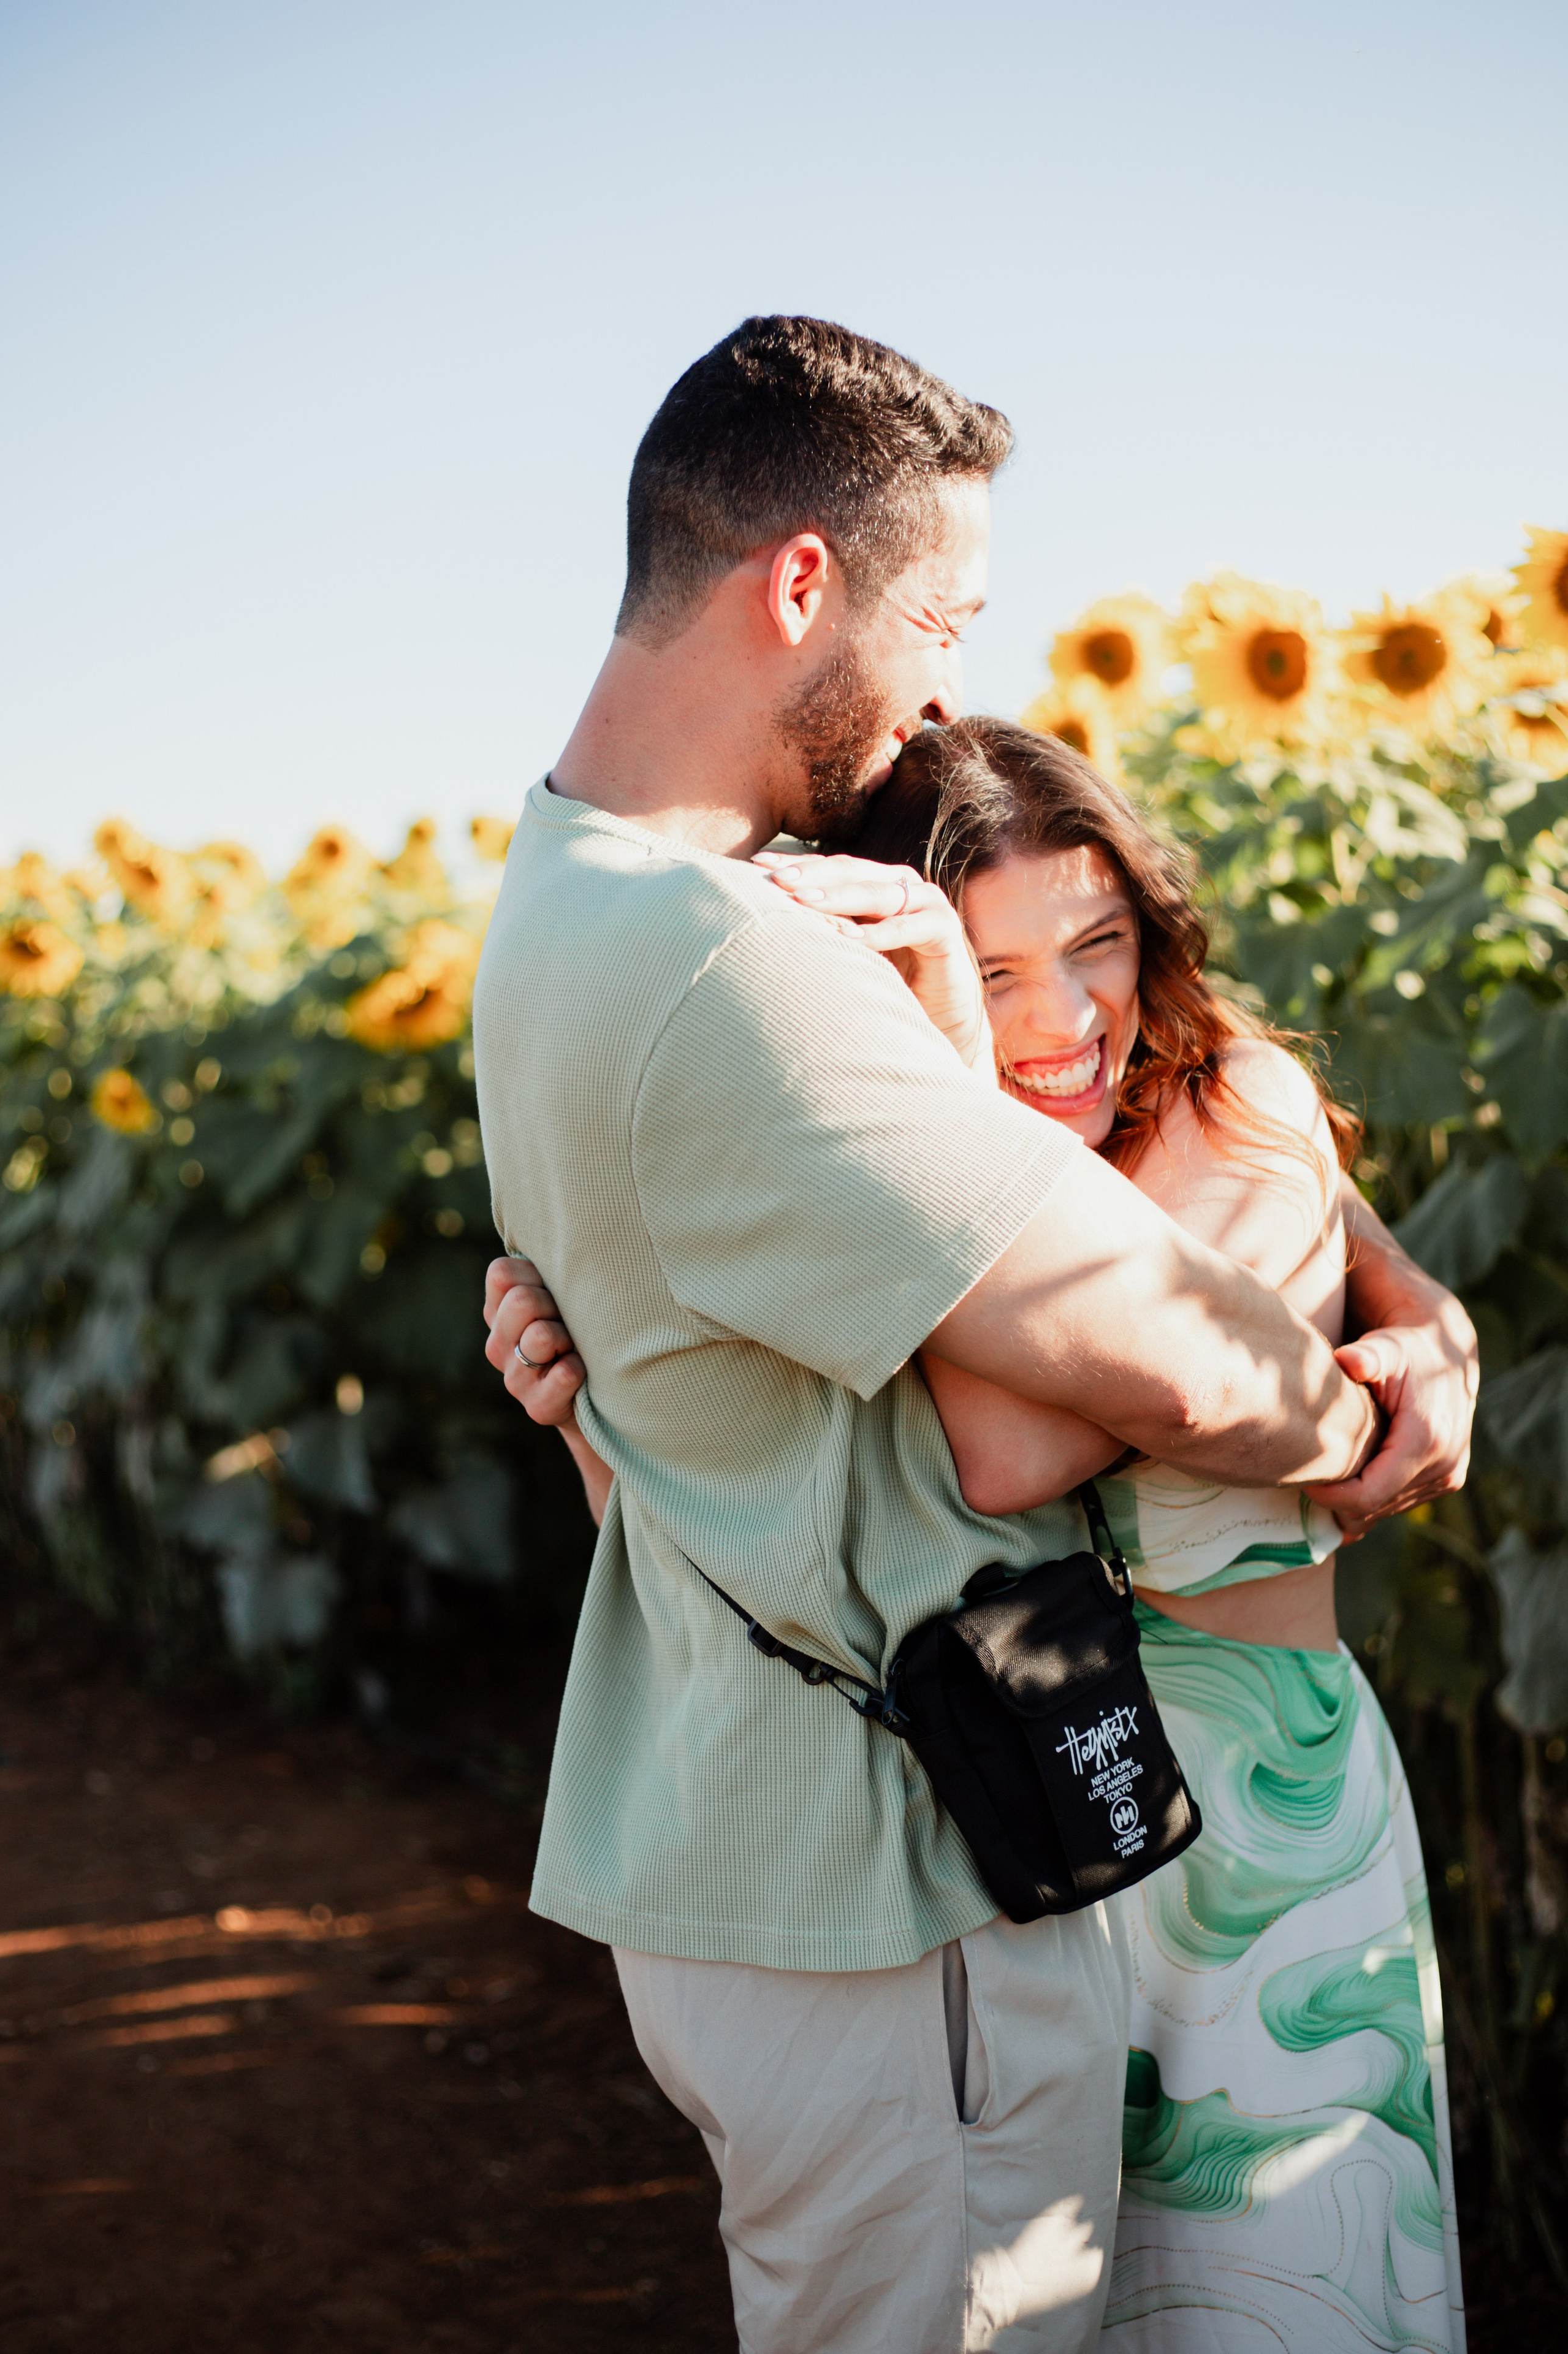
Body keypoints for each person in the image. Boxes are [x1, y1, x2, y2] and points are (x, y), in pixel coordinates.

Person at [474, 316, 1476, 2354]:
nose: (955, 680)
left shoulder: (569, 906)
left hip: (851, 1845)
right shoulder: (722, 970)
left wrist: (1401, 1282)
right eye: (945, 615)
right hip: (883, 1894)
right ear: (802, 585)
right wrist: (1363, 1402)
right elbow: (1140, 1358)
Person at [752, 718, 1465, 2350]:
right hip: (1039, 1832)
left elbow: (1008, 1449)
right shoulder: (957, 1174)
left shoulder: (1240, 1108)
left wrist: (939, 1081)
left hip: (1256, 1836)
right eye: (988, 972)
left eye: (1098, 945)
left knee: (1279, 2299)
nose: (1063, 1021)